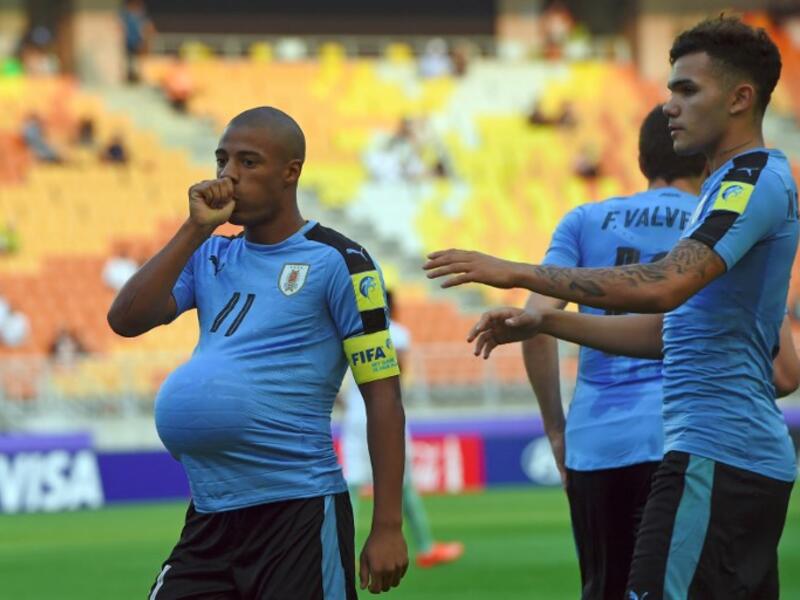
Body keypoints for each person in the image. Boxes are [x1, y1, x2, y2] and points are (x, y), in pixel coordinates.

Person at [425, 17, 797, 598]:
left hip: (718, 451)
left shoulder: (749, 183)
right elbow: (666, 330)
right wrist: (546, 319)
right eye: (671, 88)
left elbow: (662, 286)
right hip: (718, 452)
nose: (669, 104)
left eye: (687, 90)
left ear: (740, 98)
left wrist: (519, 271)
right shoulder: (726, 189)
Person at [108, 106, 408, 598]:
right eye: (222, 160)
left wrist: (388, 525)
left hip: (298, 512)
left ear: (290, 172)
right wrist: (193, 230)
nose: (228, 176)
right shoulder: (210, 252)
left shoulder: (341, 262)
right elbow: (126, 319)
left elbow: (382, 397)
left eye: (248, 162)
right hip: (211, 515)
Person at [522, 104, 704, 599]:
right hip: (688, 437)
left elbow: (534, 323)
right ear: (705, 156)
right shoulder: (718, 221)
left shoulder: (584, 220)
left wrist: (557, 431)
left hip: (596, 441)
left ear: (642, 158)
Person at [340, 290, 464, 569]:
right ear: (391, 305)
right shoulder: (397, 333)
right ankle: (425, 547)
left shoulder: (349, 330)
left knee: (351, 485)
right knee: (401, 482)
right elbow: (399, 375)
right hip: (384, 415)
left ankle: (339, 549)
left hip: (354, 414)